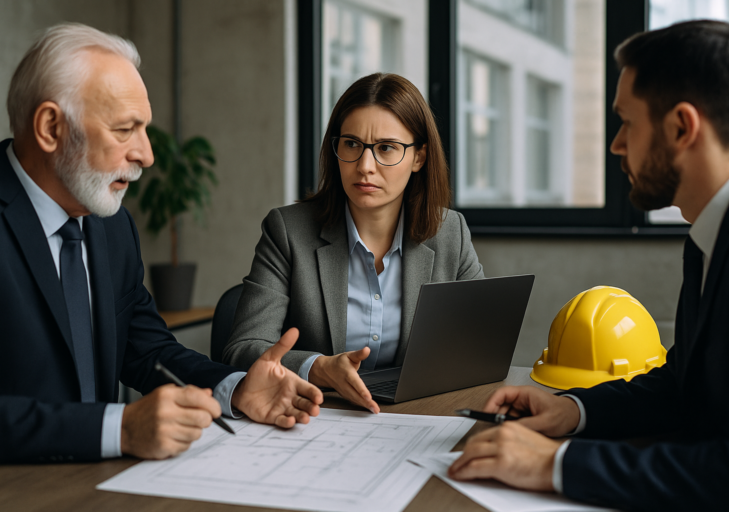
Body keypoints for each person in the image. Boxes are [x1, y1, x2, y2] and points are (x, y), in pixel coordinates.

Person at [448, 20, 729, 510]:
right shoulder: (715, 230)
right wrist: (572, 411)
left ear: (682, 127)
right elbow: (685, 383)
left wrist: (551, 465)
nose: (617, 145)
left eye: (627, 121)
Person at [0, 23, 323, 464]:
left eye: (145, 130)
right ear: (51, 127)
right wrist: (120, 428)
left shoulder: (112, 227)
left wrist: (236, 387)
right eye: (124, 130)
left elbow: (149, 351)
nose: (146, 155)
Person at [223, 73, 484, 413]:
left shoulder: (451, 232)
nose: (364, 166)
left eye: (386, 148)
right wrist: (319, 368)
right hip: (315, 414)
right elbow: (243, 348)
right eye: (351, 144)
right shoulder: (288, 231)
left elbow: (480, 348)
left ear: (419, 157)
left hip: (415, 418)